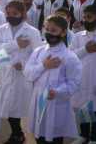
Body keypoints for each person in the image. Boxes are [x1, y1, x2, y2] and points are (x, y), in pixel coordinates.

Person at [24, 15, 82, 144]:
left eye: (54, 30)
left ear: (63, 33)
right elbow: (28, 73)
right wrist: (43, 66)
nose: (50, 33)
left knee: (54, 138)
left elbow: (74, 82)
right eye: (47, 29)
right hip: (38, 101)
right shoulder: (38, 52)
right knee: (39, 137)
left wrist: (58, 92)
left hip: (56, 104)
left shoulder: (69, 57)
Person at [0, 0, 42, 144]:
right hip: (6, 73)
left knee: (21, 108)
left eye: (15, 13)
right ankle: (17, 133)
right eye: (8, 13)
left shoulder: (32, 32)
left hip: (23, 76)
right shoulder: (1, 29)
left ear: (23, 14)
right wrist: (15, 45)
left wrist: (25, 65)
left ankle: (20, 134)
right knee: (6, 107)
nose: (11, 16)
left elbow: (38, 55)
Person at [70, 5, 96, 144]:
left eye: (90, 17)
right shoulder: (78, 37)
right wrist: (85, 49)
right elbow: (70, 56)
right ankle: (84, 134)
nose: (86, 20)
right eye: (84, 17)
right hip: (81, 80)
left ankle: (93, 137)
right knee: (82, 107)